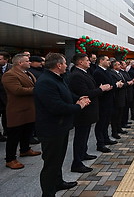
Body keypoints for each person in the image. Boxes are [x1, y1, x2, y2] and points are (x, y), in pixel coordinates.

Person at [34, 53, 91, 196]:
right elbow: (56, 106)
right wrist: (79, 106)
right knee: (51, 164)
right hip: (51, 129)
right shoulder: (46, 81)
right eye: (65, 63)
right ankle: (48, 193)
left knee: (58, 159)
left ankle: (58, 182)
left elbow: (67, 94)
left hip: (61, 127)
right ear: (58, 65)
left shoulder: (57, 78)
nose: (67, 65)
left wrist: (79, 98)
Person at [68, 53, 112, 173]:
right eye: (87, 60)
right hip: (83, 111)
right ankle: (77, 162)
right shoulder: (76, 75)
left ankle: (83, 153)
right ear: (80, 62)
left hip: (89, 110)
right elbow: (85, 93)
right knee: (80, 136)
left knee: (85, 135)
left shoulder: (84, 73)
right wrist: (101, 89)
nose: (89, 62)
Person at [2, 53, 41, 169]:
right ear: (20, 63)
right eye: (27, 61)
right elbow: (17, 90)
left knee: (27, 131)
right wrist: (37, 90)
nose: (29, 62)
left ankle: (25, 149)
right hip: (17, 110)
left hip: (29, 109)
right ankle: (10, 159)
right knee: (14, 135)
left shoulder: (28, 73)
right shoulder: (10, 75)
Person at [93, 55, 123, 153]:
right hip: (103, 101)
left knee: (106, 121)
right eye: (107, 60)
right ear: (101, 61)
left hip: (109, 99)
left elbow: (110, 83)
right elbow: (104, 86)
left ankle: (106, 138)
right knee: (101, 122)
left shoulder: (106, 71)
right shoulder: (98, 72)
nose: (109, 62)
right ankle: (100, 143)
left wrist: (114, 84)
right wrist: (115, 85)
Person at [109, 60, 130, 139]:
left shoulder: (120, 73)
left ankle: (119, 128)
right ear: (114, 66)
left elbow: (122, 82)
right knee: (115, 115)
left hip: (122, 95)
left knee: (120, 113)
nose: (120, 66)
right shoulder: (112, 73)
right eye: (118, 64)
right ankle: (114, 131)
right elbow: (118, 84)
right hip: (117, 97)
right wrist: (125, 84)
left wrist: (124, 84)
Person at [0, 51, 12, 142]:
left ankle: (7, 132)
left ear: (6, 60)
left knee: (6, 116)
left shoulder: (12, 68)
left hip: (7, 97)